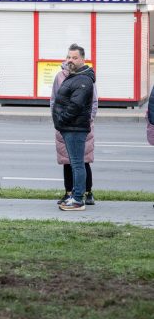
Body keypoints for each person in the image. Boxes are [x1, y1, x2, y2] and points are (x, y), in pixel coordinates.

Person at [51, 49, 99, 207]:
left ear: (83, 59)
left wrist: (63, 119)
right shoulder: (62, 76)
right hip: (66, 126)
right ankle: (71, 194)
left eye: (75, 57)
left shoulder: (83, 78)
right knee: (69, 161)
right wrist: (57, 120)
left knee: (80, 162)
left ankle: (80, 196)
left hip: (76, 126)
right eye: (68, 57)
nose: (70, 60)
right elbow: (55, 100)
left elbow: (82, 104)